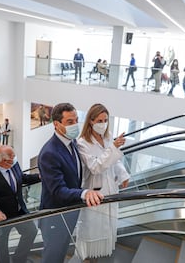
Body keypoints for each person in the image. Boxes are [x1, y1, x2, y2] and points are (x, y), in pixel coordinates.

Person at [38, 102, 104, 263]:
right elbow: (58, 191)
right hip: (54, 216)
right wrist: (84, 193)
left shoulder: (72, 142)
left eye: (76, 120)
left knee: (61, 252)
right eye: (69, 122)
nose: (75, 125)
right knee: (52, 256)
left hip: (68, 212)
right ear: (56, 124)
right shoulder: (49, 153)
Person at [75, 104, 130, 260]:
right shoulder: (82, 143)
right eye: (99, 120)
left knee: (108, 224)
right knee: (93, 227)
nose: (103, 123)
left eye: (105, 120)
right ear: (91, 121)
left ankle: (102, 253)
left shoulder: (107, 137)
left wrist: (123, 174)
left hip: (110, 188)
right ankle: (88, 256)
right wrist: (113, 147)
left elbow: (115, 160)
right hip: (94, 191)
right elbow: (95, 167)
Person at [0, 145, 41, 263]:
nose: (14, 158)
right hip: (2, 216)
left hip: (19, 210)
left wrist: (39, 177)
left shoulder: (14, 164)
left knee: (31, 231)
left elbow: (22, 178)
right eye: (12, 156)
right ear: (3, 161)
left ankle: (18, 259)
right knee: (2, 246)